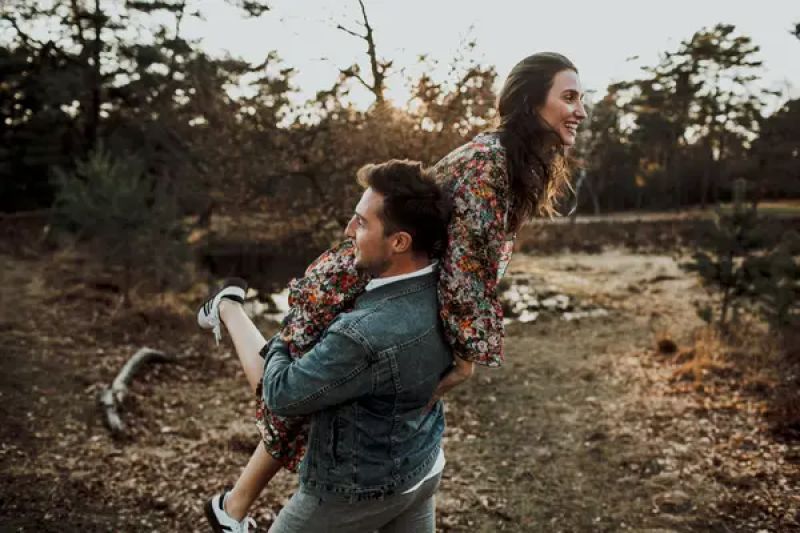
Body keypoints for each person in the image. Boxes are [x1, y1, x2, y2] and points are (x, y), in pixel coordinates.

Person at [198, 51, 587, 531]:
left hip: (394, 273)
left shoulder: (514, 161)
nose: (580, 110)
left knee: (304, 398)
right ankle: (230, 306)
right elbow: (468, 266)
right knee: (282, 390)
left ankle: (233, 506)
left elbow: (472, 260)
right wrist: (466, 352)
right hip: (356, 275)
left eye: (580, 98)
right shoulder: (492, 163)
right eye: (569, 97)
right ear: (532, 103)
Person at [202, 160, 453, 532]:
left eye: (363, 223)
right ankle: (227, 306)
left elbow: (281, 394)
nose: (350, 230)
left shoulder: (362, 333)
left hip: (355, 491)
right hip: (423, 468)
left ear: (400, 242)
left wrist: (290, 337)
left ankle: (226, 306)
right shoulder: (449, 289)